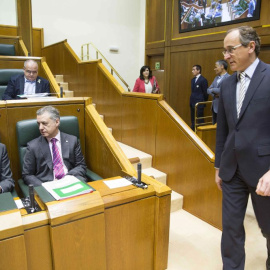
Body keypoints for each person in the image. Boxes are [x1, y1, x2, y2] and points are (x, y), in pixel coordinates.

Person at [215, 26, 270, 270]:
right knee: (231, 229)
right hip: (231, 171)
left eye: (230, 50)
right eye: (224, 51)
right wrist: (218, 166)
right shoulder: (227, 84)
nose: (226, 56)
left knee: (269, 229)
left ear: (251, 47)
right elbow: (223, 130)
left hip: (263, 171)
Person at [22, 106, 87, 187]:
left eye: (44, 123)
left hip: (71, 181)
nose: (40, 128)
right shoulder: (33, 146)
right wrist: (43, 186)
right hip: (48, 186)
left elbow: (81, 166)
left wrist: (67, 178)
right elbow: (27, 175)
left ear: (57, 122)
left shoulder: (72, 140)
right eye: (38, 124)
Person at [207, 60, 230, 124]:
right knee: (214, 127)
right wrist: (215, 93)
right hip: (214, 106)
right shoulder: (216, 78)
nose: (215, 69)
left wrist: (213, 89)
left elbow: (223, 90)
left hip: (223, 107)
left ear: (222, 66)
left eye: (216, 67)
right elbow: (208, 90)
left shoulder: (229, 78)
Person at [190, 64, 208, 131]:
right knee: (193, 118)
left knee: (200, 119)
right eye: (192, 70)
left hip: (200, 102)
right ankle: (193, 130)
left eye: (194, 70)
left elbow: (205, 93)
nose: (192, 71)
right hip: (192, 102)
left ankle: (200, 132)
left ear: (198, 70)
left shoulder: (203, 80)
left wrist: (203, 101)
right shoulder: (192, 80)